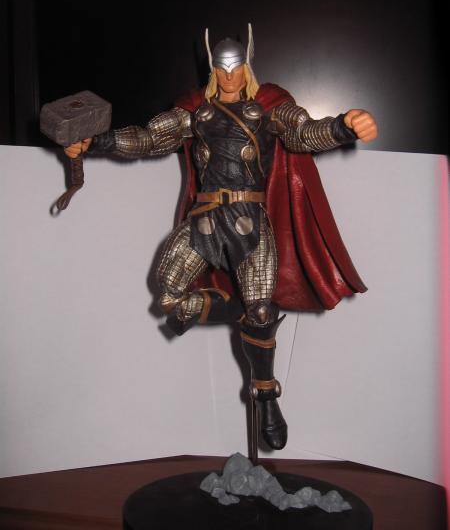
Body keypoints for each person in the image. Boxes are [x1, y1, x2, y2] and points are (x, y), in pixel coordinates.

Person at [64, 25, 377, 451]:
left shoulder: (269, 107)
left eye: (235, 67)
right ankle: (241, 311)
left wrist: (343, 127)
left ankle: (265, 393)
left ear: (247, 64)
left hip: (250, 221)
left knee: (261, 309)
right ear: (212, 68)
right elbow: (150, 138)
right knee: (170, 294)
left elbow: (303, 132)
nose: (229, 76)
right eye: (221, 68)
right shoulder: (195, 112)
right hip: (207, 220)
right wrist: (96, 142)